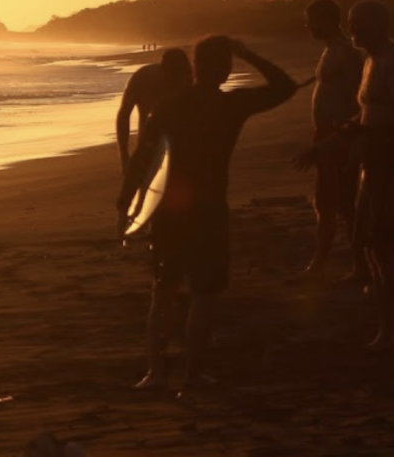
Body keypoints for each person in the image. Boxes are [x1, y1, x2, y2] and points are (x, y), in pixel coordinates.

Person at [116, 36, 299, 395]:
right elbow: (285, 86)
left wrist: (125, 204)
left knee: (163, 291)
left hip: (169, 212)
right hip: (210, 210)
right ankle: (192, 375)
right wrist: (248, 53)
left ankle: (156, 373)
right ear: (227, 69)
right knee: (203, 295)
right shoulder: (231, 106)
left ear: (194, 67)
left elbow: (142, 160)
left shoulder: (167, 107)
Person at [294, 0, 394, 351]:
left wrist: (356, 138)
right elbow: (367, 117)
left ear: (382, 26)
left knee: (384, 245)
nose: (353, 31)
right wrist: (332, 142)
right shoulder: (370, 62)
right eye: (351, 23)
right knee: (366, 239)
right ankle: (389, 323)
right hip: (371, 158)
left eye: (360, 25)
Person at [300, 0, 365, 283]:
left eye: (311, 20)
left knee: (345, 205)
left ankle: (362, 266)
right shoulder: (330, 51)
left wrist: (341, 136)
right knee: (324, 203)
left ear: (326, 19)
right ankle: (319, 264)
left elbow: (358, 98)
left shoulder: (345, 52)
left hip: (340, 138)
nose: (307, 26)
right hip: (326, 137)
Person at [115, 48, 192, 176]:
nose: (173, 81)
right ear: (163, 69)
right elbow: (124, 114)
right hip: (147, 140)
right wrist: (124, 156)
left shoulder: (188, 79)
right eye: (170, 75)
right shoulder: (143, 78)